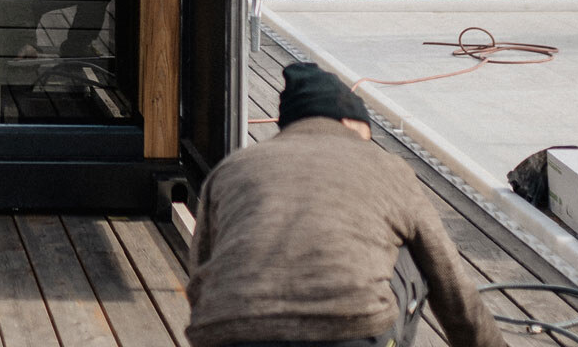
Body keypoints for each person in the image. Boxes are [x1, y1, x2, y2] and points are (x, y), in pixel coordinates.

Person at [186, 64, 506, 347]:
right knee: (413, 254)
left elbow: (201, 268)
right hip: (350, 331)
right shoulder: (388, 167)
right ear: (349, 122)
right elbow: (448, 277)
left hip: (230, 333)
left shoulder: (232, 168)